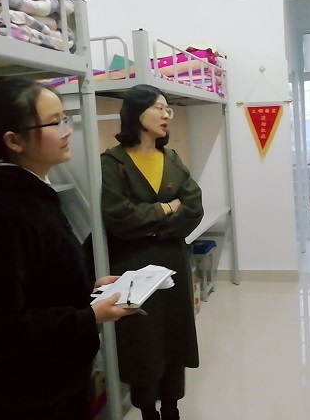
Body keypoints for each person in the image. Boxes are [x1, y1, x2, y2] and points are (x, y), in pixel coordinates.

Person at [0, 78, 137, 420]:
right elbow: (2, 328)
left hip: (57, 380)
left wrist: (87, 289)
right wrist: (91, 315)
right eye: (54, 123)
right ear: (14, 141)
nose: (67, 130)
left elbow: (38, 282)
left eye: (66, 119)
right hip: (33, 391)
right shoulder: (1, 213)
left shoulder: (32, 194)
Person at [100, 84, 203, 420]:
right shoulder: (113, 162)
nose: (165, 114)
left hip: (172, 260)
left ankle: (171, 407)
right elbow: (119, 217)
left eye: (167, 108)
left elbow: (194, 207)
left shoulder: (171, 159)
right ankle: (147, 410)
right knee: (141, 340)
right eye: (158, 107)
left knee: (174, 335)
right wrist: (167, 208)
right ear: (136, 113)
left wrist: (153, 225)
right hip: (133, 264)